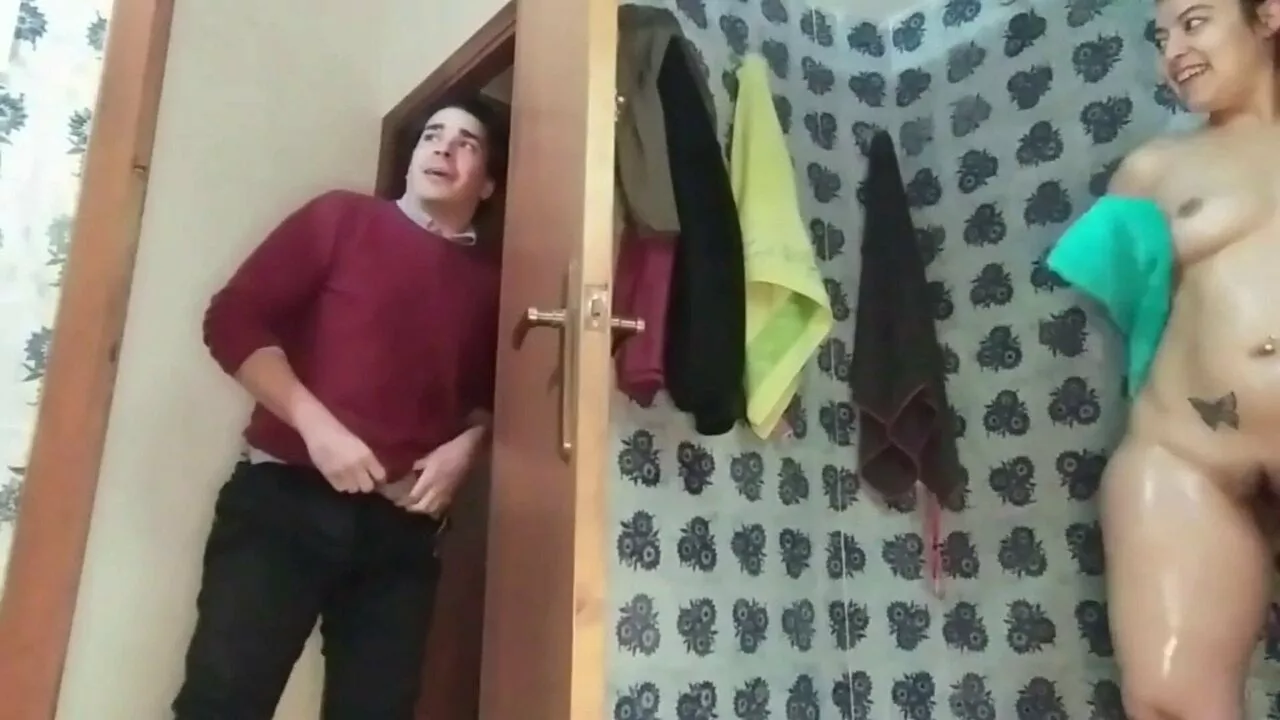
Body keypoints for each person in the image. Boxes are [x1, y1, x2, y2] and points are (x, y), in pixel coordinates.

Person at [171, 96, 506, 720]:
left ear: (486, 182)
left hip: (401, 535)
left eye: (467, 142)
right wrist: (316, 425)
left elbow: (492, 395)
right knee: (223, 703)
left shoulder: (495, 287)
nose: (443, 147)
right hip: (284, 504)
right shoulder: (342, 218)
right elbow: (232, 319)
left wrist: (470, 445)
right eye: (432, 134)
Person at [1101, 0, 1280, 718]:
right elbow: (1131, 304)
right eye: (1161, 35)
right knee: (1169, 699)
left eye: (1195, 21)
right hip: (1188, 453)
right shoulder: (1150, 169)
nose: (1173, 50)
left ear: (1267, 16)